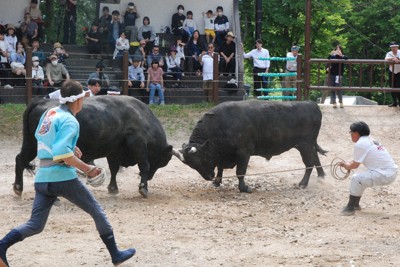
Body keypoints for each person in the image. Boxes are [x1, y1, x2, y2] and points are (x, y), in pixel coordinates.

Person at [0, 80, 136, 267]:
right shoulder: (71, 121)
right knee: (97, 212)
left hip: (43, 177)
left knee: (35, 225)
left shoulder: (50, 113)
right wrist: (88, 168)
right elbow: (63, 154)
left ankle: (1, 246)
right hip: (62, 177)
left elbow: (43, 138)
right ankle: (116, 255)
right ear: (78, 101)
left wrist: (72, 146)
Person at [339, 121, 398, 216]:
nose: (351, 135)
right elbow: (358, 159)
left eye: (351, 132)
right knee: (361, 180)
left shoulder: (360, 144)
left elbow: (355, 165)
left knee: (356, 178)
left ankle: (349, 208)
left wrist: (346, 166)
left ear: (357, 133)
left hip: (384, 174)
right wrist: (347, 163)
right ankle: (355, 205)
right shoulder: (369, 139)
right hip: (389, 172)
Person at [385, 42, 400, 107]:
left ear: (397, 47)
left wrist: (398, 60)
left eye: (395, 47)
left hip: (399, 72)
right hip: (391, 72)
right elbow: (386, 59)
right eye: (392, 47)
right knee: (392, 87)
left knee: (398, 88)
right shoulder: (389, 53)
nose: (394, 48)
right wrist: (393, 58)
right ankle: (394, 102)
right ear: (391, 48)